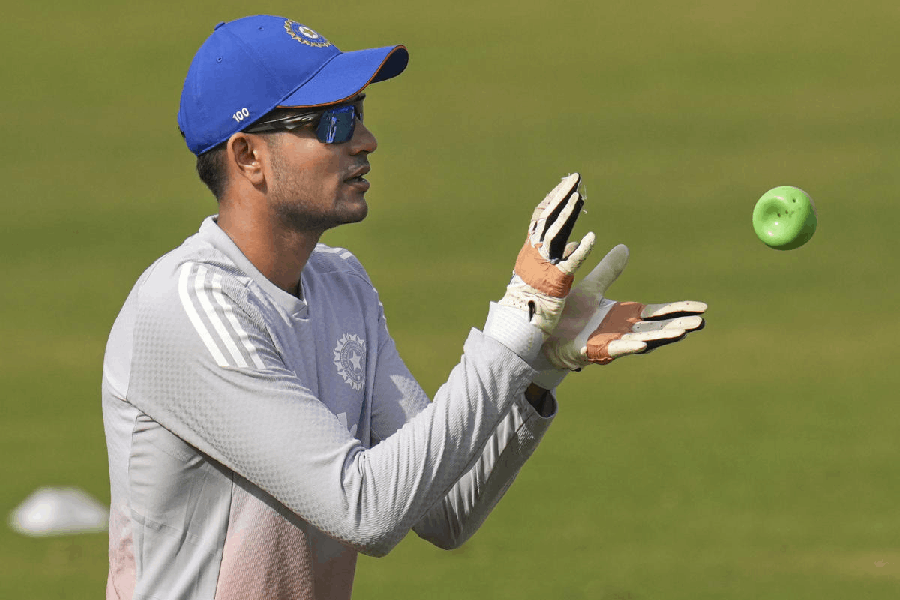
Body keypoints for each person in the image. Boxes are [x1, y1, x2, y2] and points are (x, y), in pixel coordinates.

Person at [101, 14, 707, 600]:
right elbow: (364, 510)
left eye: (358, 113)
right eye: (332, 123)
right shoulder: (192, 306)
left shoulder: (342, 283)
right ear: (247, 157)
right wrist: (511, 324)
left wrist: (539, 361)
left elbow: (448, 508)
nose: (365, 140)